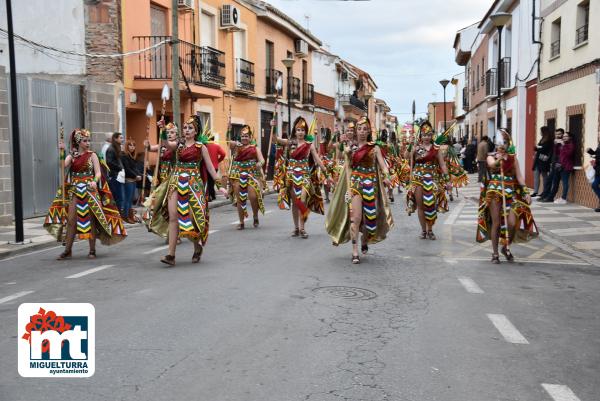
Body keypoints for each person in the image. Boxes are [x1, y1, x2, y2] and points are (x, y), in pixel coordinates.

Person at [145, 115, 223, 266]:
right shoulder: (178, 145)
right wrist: (162, 130)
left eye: (190, 128)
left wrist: (221, 186)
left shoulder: (201, 148)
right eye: (185, 128)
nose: (186, 130)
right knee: (174, 217)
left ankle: (197, 247)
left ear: (196, 131)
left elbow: (211, 169)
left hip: (194, 185)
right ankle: (171, 255)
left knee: (193, 218)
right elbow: (167, 144)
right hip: (176, 182)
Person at [44, 129, 127, 260]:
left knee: (91, 220)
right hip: (75, 190)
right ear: (78, 142)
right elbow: (62, 166)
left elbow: (98, 173)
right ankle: (68, 250)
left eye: (89, 140)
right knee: (71, 221)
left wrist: (94, 181)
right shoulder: (72, 156)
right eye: (85, 141)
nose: (88, 143)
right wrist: (62, 151)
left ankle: (92, 250)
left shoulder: (92, 155)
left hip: (90, 189)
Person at [326, 116, 393, 264]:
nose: (362, 132)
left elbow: (383, 165)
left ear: (369, 131)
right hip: (355, 184)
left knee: (371, 218)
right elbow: (348, 166)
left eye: (365, 129)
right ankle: (354, 251)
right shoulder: (352, 147)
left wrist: (387, 176)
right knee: (355, 218)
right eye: (359, 129)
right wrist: (347, 150)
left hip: (371, 185)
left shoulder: (374, 147)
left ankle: (364, 239)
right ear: (356, 131)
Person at [476, 129, 537, 263]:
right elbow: (491, 164)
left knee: (512, 223)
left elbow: (520, 177)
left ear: (508, 143)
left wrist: (526, 192)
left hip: (510, 191)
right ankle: (495, 253)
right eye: (499, 143)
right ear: (496, 145)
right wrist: (499, 159)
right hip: (494, 192)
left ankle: (505, 246)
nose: (501, 146)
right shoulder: (491, 156)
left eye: (504, 142)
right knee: (496, 222)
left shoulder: (513, 159)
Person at [272, 116, 334, 239]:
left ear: (305, 132)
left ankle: (302, 228)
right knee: (296, 203)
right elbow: (275, 139)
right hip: (291, 176)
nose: (300, 132)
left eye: (302, 130)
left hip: (305, 176)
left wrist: (327, 175)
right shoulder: (290, 142)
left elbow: (318, 160)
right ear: (295, 131)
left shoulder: (309, 145)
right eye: (298, 130)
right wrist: (273, 126)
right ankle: (296, 228)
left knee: (303, 201)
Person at [406, 120, 451, 240]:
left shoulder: (436, 149)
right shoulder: (416, 147)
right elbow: (406, 157)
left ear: (432, 135)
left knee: (430, 205)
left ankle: (430, 229)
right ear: (420, 135)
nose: (426, 137)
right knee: (421, 206)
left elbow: (442, 165)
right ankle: (424, 230)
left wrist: (448, 181)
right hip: (418, 179)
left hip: (432, 179)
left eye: (429, 134)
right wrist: (411, 147)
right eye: (424, 134)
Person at [228, 125, 266, 229]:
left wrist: (260, 164)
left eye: (246, 136)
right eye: (242, 136)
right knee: (240, 199)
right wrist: (229, 130)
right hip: (238, 175)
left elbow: (262, 160)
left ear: (250, 137)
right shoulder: (236, 146)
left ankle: (255, 215)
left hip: (251, 175)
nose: (244, 138)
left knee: (253, 197)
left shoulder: (255, 148)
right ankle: (241, 222)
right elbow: (228, 142)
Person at [539, 129, 564, 202]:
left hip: (559, 165)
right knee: (549, 180)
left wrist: (562, 144)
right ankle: (545, 195)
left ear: (562, 134)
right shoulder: (555, 142)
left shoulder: (564, 143)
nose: (558, 136)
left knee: (555, 182)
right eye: (556, 134)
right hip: (553, 164)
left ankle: (550, 197)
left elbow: (563, 154)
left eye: (559, 134)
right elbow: (553, 152)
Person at [122, 139, 142, 223]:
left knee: (130, 199)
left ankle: (130, 216)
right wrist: (135, 176)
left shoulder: (131, 156)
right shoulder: (124, 156)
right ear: (127, 146)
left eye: (134, 145)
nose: (132, 147)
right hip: (128, 180)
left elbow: (134, 168)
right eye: (130, 145)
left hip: (133, 180)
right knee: (127, 199)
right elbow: (127, 169)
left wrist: (139, 175)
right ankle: (126, 216)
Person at [105, 132, 125, 215]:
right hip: (114, 176)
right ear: (115, 139)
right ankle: (116, 215)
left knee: (119, 197)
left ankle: (118, 214)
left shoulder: (117, 148)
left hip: (118, 176)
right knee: (117, 197)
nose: (122, 139)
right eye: (121, 138)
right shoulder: (111, 149)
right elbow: (109, 162)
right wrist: (119, 168)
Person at [553, 131, 575, 204]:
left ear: (570, 137)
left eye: (566, 136)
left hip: (567, 166)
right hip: (561, 166)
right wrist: (556, 145)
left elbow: (569, 154)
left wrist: (563, 145)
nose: (564, 137)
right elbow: (557, 153)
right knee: (562, 182)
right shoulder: (564, 144)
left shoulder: (571, 145)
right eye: (564, 136)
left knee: (565, 182)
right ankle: (562, 197)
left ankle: (564, 198)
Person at [531, 126, 554, 197]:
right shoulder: (542, 139)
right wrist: (538, 148)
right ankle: (535, 191)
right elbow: (536, 148)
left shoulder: (550, 140)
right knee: (536, 175)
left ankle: (545, 191)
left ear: (544, 132)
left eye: (541, 131)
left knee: (544, 176)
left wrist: (539, 148)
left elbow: (545, 149)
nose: (540, 132)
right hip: (538, 160)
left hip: (544, 161)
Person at [586, 144, 600, 212]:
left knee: (594, 185)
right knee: (594, 185)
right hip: (598, 170)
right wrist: (590, 151)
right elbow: (597, 154)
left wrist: (596, 156)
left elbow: (597, 156)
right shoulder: (599, 145)